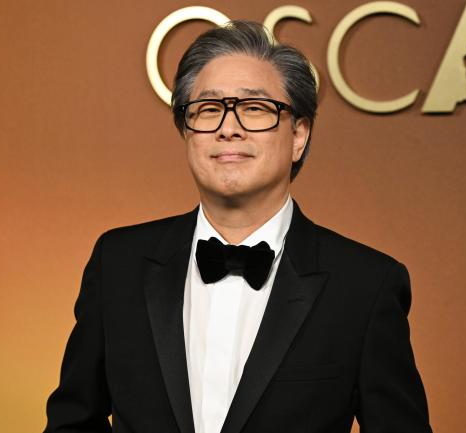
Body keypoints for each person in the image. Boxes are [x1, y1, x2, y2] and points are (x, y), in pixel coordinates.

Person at [44, 20, 432, 433]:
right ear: (186, 131)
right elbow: (73, 422)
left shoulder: (365, 285)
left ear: (298, 135)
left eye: (255, 108)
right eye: (209, 110)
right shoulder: (118, 263)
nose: (228, 128)